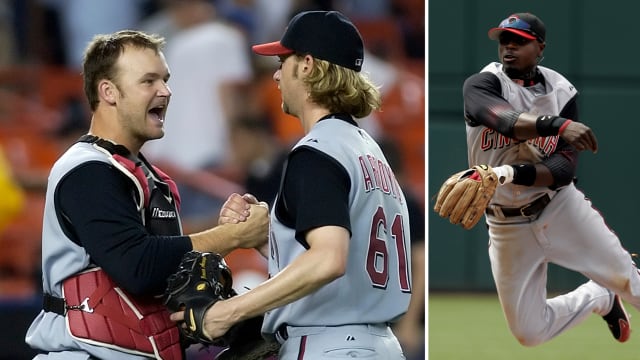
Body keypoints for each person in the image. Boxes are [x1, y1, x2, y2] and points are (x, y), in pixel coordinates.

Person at [171, 10, 412, 359]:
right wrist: (268, 238)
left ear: (308, 65)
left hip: (330, 344)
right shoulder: (368, 151)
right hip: (376, 344)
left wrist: (228, 312)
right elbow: (348, 265)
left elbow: (329, 259)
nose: (276, 73)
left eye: (283, 60)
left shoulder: (318, 152)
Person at [24, 29, 269, 359]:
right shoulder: (86, 169)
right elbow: (137, 266)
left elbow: (159, 289)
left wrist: (233, 319)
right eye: (148, 81)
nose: (165, 91)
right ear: (109, 91)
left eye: (165, 80)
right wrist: (231, 236)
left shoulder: (153, 179)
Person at [461, 12, 639, 346]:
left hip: (559, 207)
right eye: (504, 40)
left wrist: (509, 173)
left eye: (520, 41)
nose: (509, 47)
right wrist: (557, 125)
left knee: (631, 283)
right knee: (530, 332)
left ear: (540, 48)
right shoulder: (482, 84)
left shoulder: (562, 91)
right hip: (506, 224)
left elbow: (563, 170)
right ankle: (598, 296)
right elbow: (505, 121)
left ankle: (609, 288)